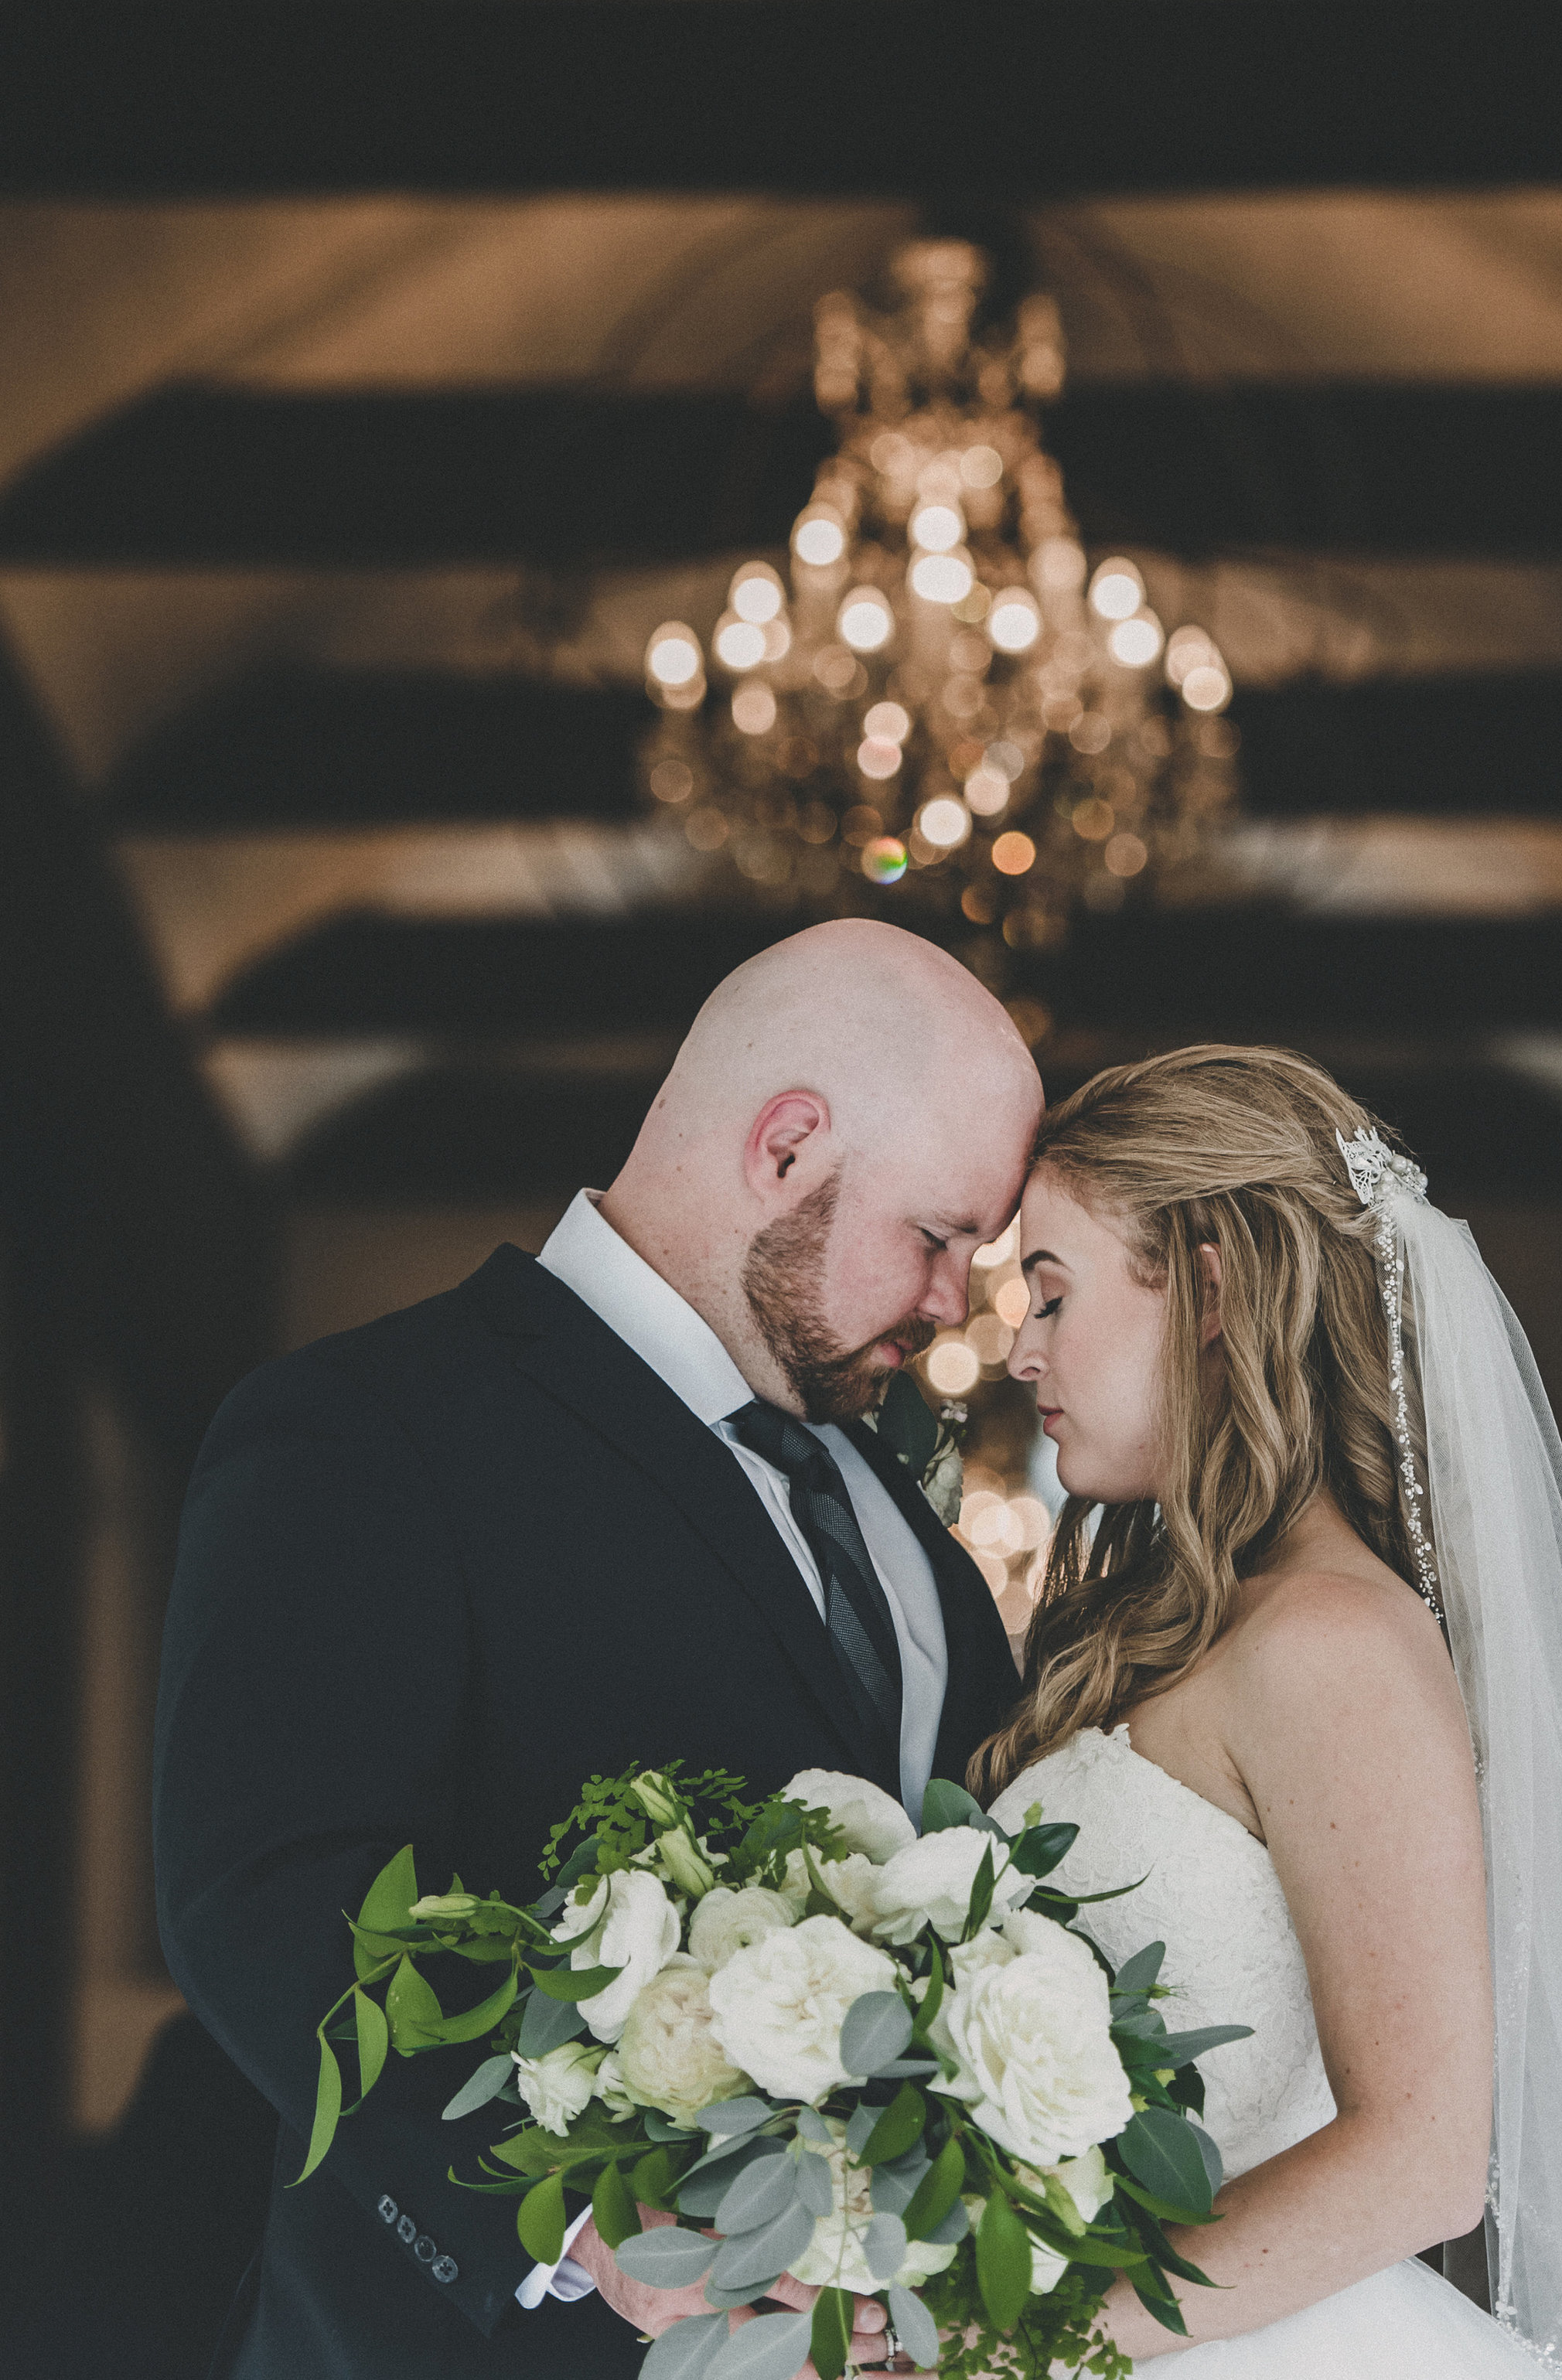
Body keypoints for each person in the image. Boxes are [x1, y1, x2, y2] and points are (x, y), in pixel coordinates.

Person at [154, 920, 1040, 2380]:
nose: (955, 1307)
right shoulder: (370, 1428)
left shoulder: (902, 1520)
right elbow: (263, 1892)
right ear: (786, 1147)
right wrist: (572, 2209)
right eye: (935, 1237)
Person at [988, 1042, 1562, 2380]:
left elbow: (1422, 2160)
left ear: (1210, 1289)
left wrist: (1024, 2333)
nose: (1016, 1347)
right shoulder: (1186, 1631)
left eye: (1051, 1294)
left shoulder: (1331, 1644)